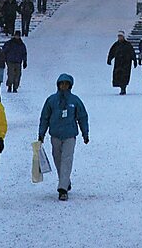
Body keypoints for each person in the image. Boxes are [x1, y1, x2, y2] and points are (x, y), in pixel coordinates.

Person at [38, 73, 89, 201]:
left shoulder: (75, 101)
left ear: (70, 85)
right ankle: (65, 180)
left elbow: (82, 117)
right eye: (62, 83)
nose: (64, 86)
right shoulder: (51, 100)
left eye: (66, 84)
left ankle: (62, 189)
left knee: (67, 159)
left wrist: (85, 133)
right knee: (58, 159)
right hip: (55, 135)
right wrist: (41, 133)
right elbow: (44, 117)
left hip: (69, 135)